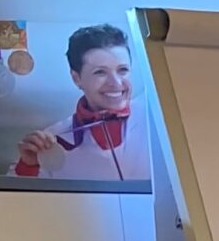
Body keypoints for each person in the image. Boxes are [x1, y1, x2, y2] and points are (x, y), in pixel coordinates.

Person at [13, 22, 148, 181]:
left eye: (123, 70)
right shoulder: (51, 141)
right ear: (76, 78)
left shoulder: (157, 117)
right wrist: (28, 166)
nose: (116, 83)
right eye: (100, 72)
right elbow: (13, 194)